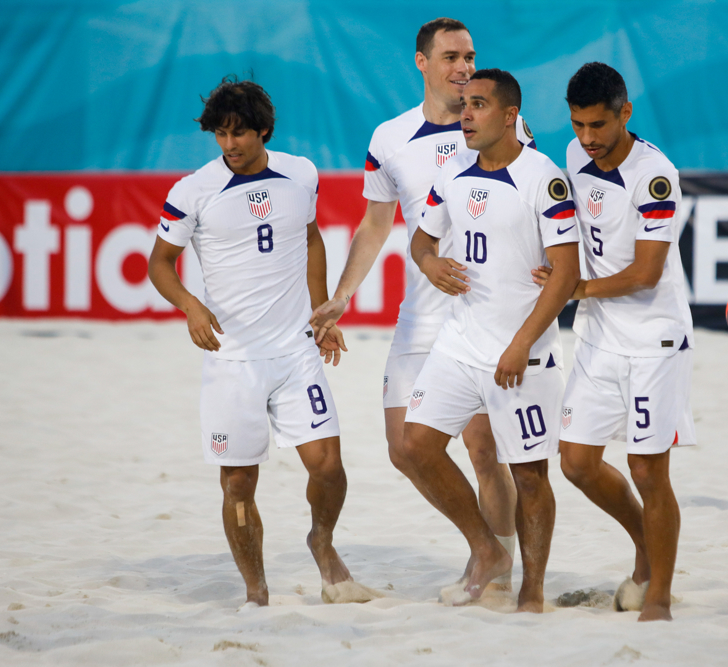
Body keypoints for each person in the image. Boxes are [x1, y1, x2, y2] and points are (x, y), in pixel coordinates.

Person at [309, 18, 536, 590]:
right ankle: (487, 550)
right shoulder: (389, 138)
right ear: (422, 63)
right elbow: (376, 223)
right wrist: (341, 295)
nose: (464, 66)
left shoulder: (500, 126)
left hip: (481, 313)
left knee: (484, 449)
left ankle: (496, 574)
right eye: (453, 56)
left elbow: (530, 201)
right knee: (404, 449)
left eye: (471, 55)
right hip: (420, 319)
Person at [147, 77, 375, 609]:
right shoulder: (193, 190)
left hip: (296, 352)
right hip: (232, 361)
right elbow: (159, 263)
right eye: (221, 135)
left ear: (264, 130)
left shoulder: (301, 173)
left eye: (240, 133)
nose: (230, 145)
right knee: (238, 487)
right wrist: (190, 305)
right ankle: (256, 593)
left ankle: (321, 539)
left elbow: (312, 237)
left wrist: (322, 312)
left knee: (328, 467)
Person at [397, 69, 580, 612]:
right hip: (461, 341)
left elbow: (566, 274)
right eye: (463, 105)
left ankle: (533, 592)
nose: (466, 115)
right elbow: (421, 239)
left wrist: (522, 342)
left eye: (478, 105)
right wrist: (430, 263)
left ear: (509, 116)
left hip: (525, 352)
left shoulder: (543, 178)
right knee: (414, 447)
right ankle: (487, 550)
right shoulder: (451, 169)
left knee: (528, 475)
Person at [533, 62, 696, 622]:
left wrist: (575, 287)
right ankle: (645, 543)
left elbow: (646, 273)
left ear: (626, 112)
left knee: (649, 471)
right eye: (578, 125)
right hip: (601, 335)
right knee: (576, 462)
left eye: (598, 124)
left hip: (654, 339)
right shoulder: (578, 156)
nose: (588, 138)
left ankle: (659, 595)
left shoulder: (657, 175)